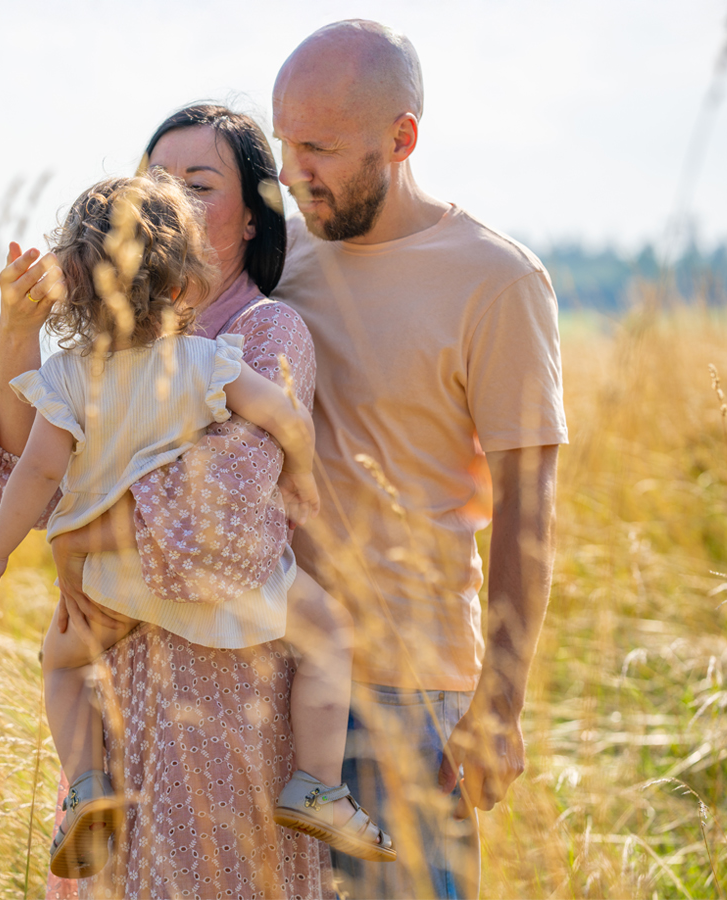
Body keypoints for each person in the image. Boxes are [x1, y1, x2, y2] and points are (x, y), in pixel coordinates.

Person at [0, 171, 393, 880]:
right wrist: (302, 473)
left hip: (107, 589)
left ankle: (84, 787)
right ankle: (319, 787)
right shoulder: (205, 361)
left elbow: (36, 478)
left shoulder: (69, 380)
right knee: (326, 636)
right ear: (181, 285)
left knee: (62, 666)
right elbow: (285, 419)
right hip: (219, 589)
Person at [269, 20, 567, 899]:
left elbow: (529, 508)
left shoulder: (496, 281)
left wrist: (500, 706)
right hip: (266, 675)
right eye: (286, 143)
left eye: (318, 147)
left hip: (410, 698)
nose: (293, 172)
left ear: (401, 139)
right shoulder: (277, 257)